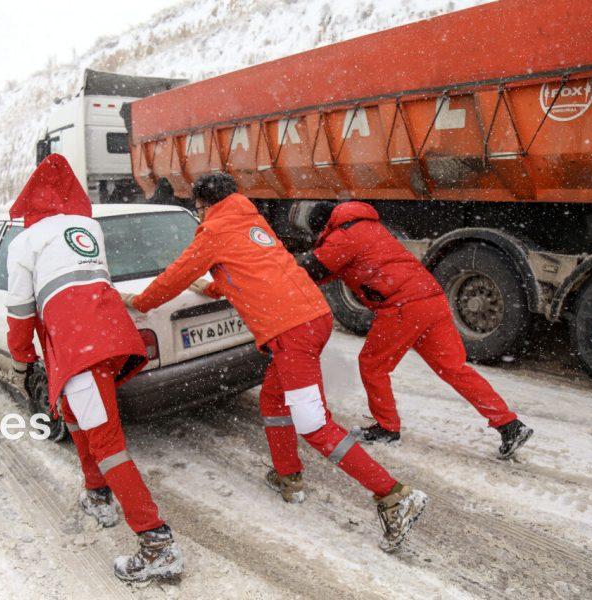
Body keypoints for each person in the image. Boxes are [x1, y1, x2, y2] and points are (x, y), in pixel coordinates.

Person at [122, 172, 427, 552]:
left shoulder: (214, 230)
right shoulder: (251, 220)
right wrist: (216, 287)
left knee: (314, 423)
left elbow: (174, 277)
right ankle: (288, 476)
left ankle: (393, 494)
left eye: (198, 208)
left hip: (290, 330)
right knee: (273, 400)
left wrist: (139, 302)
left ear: (205, 205)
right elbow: (260, 267)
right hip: (314, 317)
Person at [6, 153, 183, 582]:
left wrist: (21, 359)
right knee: (79, 419)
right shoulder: (88, 227)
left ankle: (156, 543)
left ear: (30, 199)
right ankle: (97, 493)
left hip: (77, 350)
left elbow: (19, 312)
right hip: (109, 340)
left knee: (107, 442)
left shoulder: (24, 243)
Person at [297, 200, 534, 459]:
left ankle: (387, 428)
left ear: (322, 225)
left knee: (373, 366)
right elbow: (332, 270)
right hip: (431, 299)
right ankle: (509, 424)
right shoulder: (368, 228)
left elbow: (312, 268)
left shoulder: (343, 236)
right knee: (454, 369)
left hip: (402, 306)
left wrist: (281, 269)